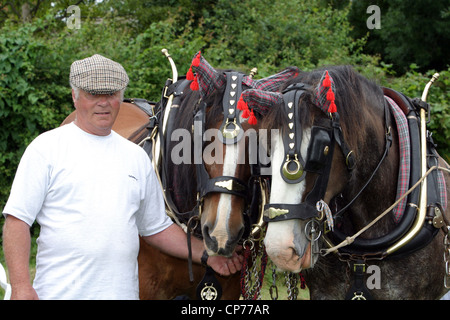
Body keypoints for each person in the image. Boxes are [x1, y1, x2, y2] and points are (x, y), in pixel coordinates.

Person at [2, 54, 242, 300]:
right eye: (93, 94)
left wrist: (207, 255)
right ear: (74, 96)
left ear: (121, 96)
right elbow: (17, 221)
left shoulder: (136, 157)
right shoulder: (46, 149)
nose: (103, 103)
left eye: (111, 94)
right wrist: (21, 286)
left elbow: (155, 228)